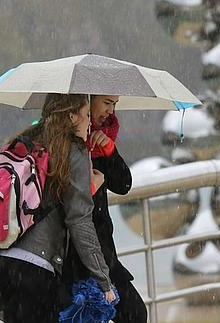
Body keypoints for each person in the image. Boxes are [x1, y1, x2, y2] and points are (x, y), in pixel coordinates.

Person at [0, 93, 115, 322]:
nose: (89, 122)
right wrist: (103, 278)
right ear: (71, 116)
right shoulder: (73, 150)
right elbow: (79, 221)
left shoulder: (25, 140)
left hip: (4, 263)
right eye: (86, 115)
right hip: (36, 268)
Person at [62, 95, 148, 322]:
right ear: (88, 102)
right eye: (107, 103)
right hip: (73, 255)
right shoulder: (65, 145)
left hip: (102, 252)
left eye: (115, 104)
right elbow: (64, 201)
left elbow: (123, 184)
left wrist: (109, 150)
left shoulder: (98, 145)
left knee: (134, 314)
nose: (111, 111)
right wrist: (89, 187)